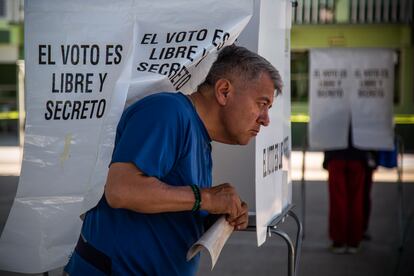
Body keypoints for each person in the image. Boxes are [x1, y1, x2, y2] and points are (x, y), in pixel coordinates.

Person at [64, 44, 282, 275]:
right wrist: (206, 197)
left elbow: (168, 206)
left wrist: (218, 215)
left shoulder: (198, 134)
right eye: (262, 104)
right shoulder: (168, 112)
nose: (265, 119)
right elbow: (121, 190)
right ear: (224, 91)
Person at [323, 128, 371, 254]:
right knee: (357, 200)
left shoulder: (332, 107)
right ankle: (354, 242)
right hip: (358, 153)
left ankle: (338, 242)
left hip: (336, 153)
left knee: (337, 200)